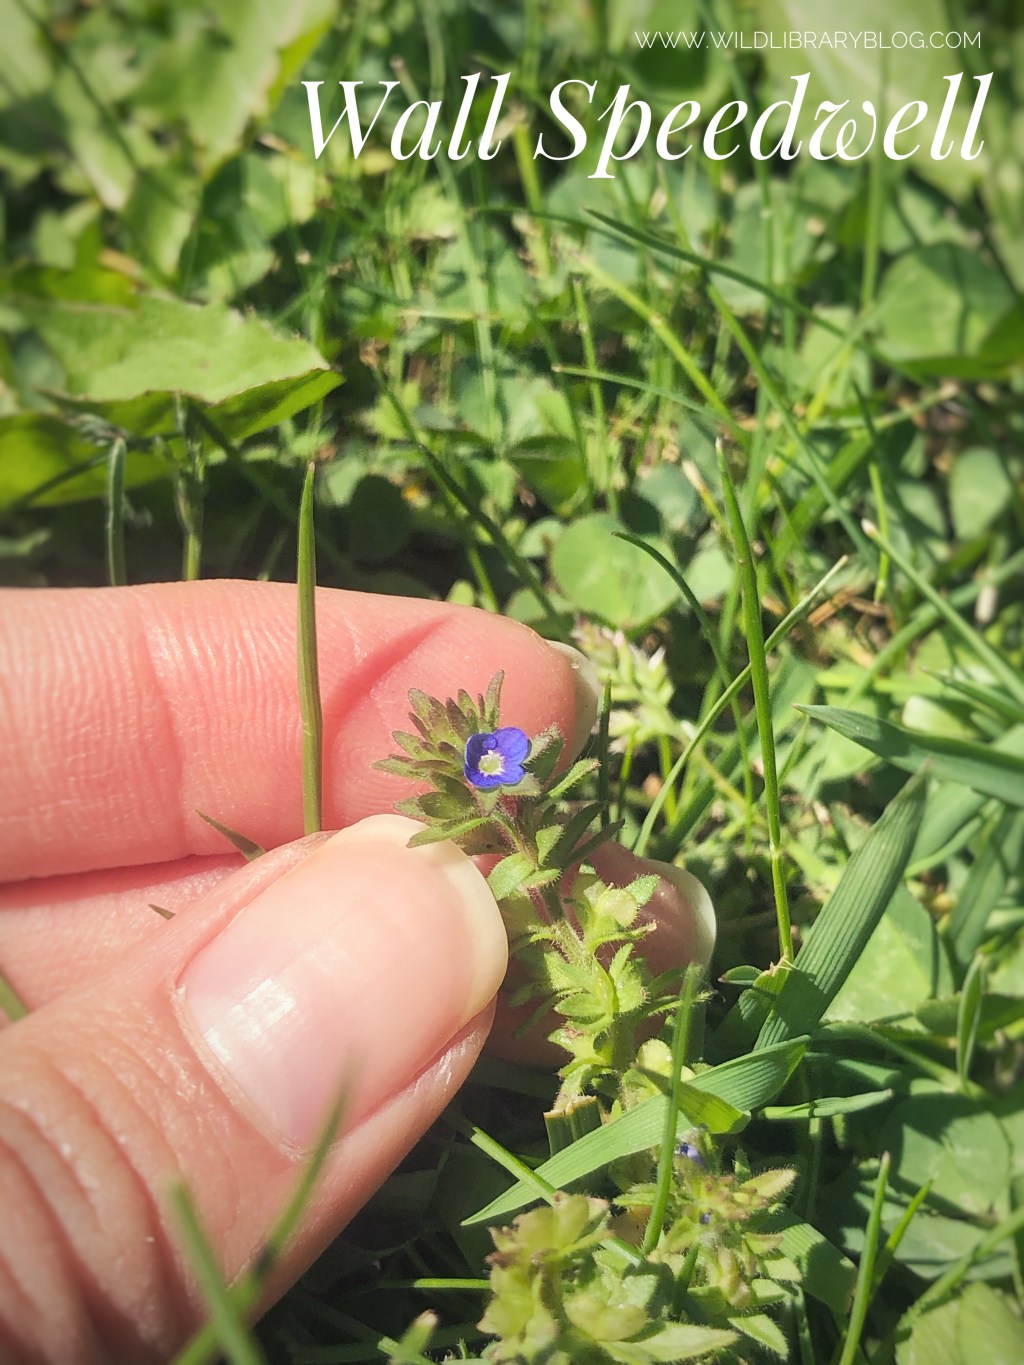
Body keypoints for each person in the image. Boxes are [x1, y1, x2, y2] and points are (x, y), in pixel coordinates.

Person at [0, 582, 708, 1364]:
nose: (493, 761)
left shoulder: (506, 773)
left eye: (495, 757)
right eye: (485, 760)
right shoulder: (477, 772)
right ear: (472, 765)